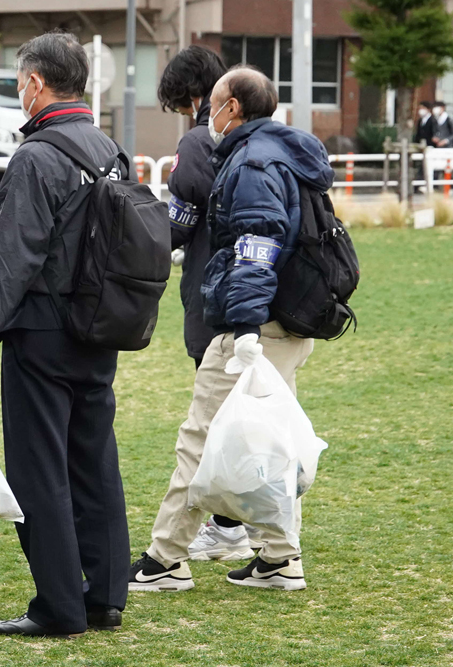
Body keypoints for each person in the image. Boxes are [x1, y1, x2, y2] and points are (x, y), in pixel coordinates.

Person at [0, 31, 129, 637]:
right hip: (99, 325)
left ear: (35, 84)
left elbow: (14, 256)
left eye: (22, 80)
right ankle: (105, 593)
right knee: (94, 458)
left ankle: (59, 604)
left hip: (42, 329)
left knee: (39, 467)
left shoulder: (36, 157)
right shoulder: (110, 149)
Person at [128, 66, 331, 593]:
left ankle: (164, 559)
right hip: (288, 320)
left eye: (213, 104)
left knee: (199, 438)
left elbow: (256, 246)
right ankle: (279, 557)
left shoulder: (252, 163)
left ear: (232, 108)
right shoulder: (288, 152)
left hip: (256, 324)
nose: (206, 116)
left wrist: (242, 328)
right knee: (271, 443)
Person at [149, 45, 262, 564]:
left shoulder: (196, 144)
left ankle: (217, 530)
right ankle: (249, 531)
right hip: (260, 297)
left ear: (195, 97)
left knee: (212, 421)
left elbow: (179, 222)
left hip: (213, 295)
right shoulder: (263, 145)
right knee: (244, 415)